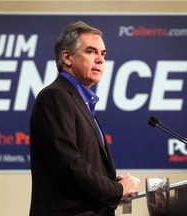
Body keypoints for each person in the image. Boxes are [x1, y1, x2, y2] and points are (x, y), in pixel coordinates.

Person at [29, 21, 140, 216]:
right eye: (91, 52)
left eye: (103, 54)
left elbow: (85, 163)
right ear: (67, 57)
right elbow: (69, 165)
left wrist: (110, 183)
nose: (100, 60)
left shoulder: (81, 102)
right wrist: (118, 190)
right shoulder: (55, 97)